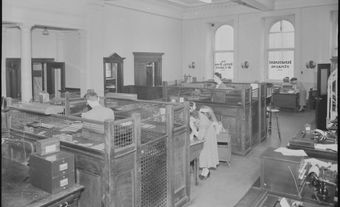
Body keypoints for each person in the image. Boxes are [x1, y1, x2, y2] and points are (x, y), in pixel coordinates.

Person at [197, 106, 219, 179]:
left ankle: (206, 171)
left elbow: (200, 136)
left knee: (205, 154)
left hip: (208, 140)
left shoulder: (205, 121)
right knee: (205, 155)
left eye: (201, 114)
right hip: (208, 139)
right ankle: (205, 170)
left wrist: (194, 131)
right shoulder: (206, 120)